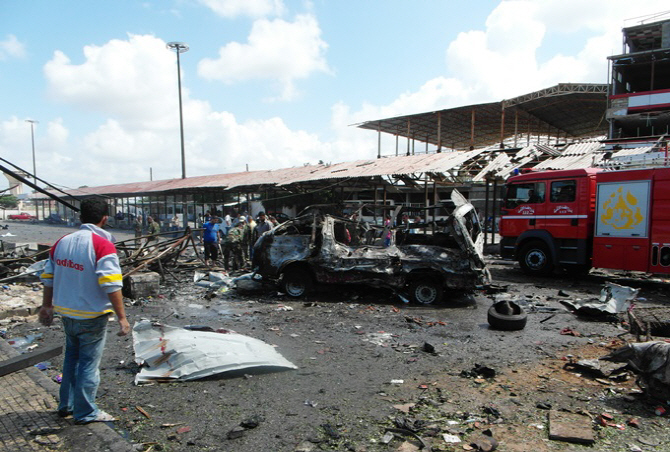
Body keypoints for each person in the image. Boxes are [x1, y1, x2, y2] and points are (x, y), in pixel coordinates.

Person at [38, 197, 129, 425]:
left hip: (67, 314)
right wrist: (122, 317)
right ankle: (86, 413)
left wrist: (47, 306)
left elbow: (48, 277)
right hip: (91, 316)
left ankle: (66, 404)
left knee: (71, 359)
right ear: (104, 218)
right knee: (88, 364)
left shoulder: (61, 242)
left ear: (80, 217)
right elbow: (111, 284)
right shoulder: (102, 245)